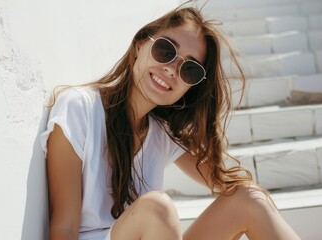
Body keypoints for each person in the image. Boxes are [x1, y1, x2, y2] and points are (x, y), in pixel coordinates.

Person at [41, 5, 300, 240]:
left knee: (249, 198)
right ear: (139, 46)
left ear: (190, 87)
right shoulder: (79, 108)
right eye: (166, 51)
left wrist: (204, 128)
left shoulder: (162, 133)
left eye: (190, 70)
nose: (173, 69)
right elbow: (63, 228)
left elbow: (227, 185)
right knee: (157, 208)